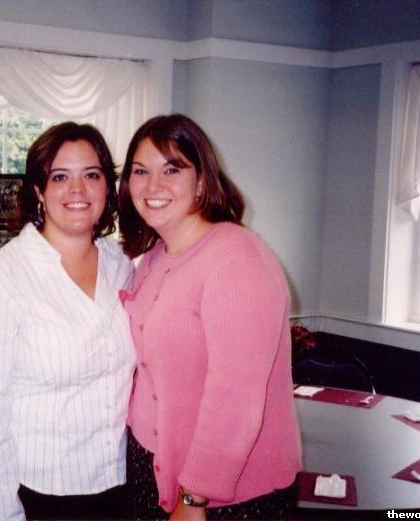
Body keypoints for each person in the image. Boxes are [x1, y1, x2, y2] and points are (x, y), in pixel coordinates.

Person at [118, 114, 301, 520]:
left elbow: (234, 396)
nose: (153, 186)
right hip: (152, 467)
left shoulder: (238, 260)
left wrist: (194, 497)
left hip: (225, 495)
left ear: (201, 181)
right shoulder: (154, 257)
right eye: (141, 171)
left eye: (171, 170)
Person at [0, 122, 136, 520]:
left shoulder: (123, 267)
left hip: (120, 487)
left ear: (108, 186)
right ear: (39, 190)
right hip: (39, 498)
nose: (77, 190)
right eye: (60, 177)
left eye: (91, 175)